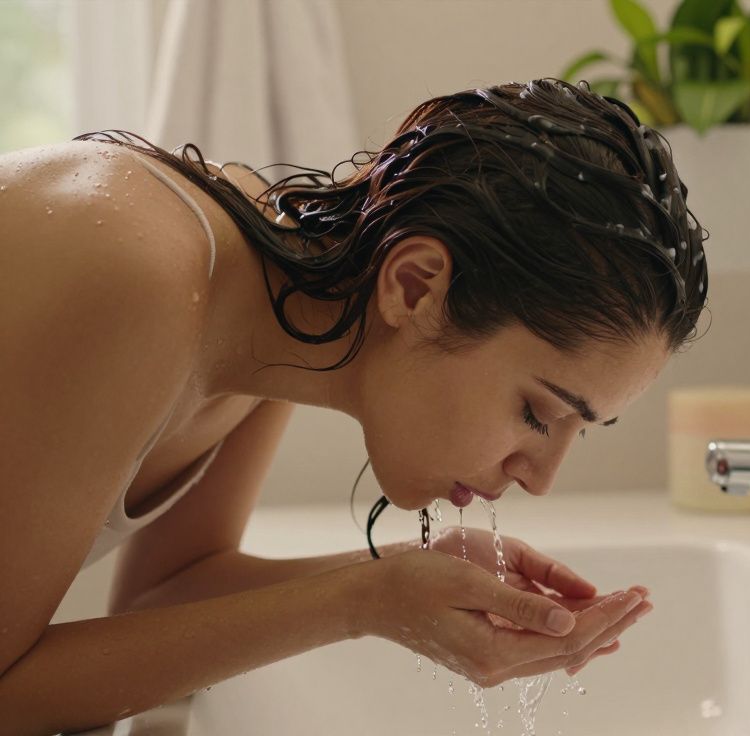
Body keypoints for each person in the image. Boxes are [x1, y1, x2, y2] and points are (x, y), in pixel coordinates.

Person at [0, 78, 709, 734]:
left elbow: (162, 599)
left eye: (577, 433)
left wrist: (396, 581)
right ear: (416, 286)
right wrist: (365, 601)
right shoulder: (140, 278)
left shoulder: (276, 296)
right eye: (536, 413)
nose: (540, 476)